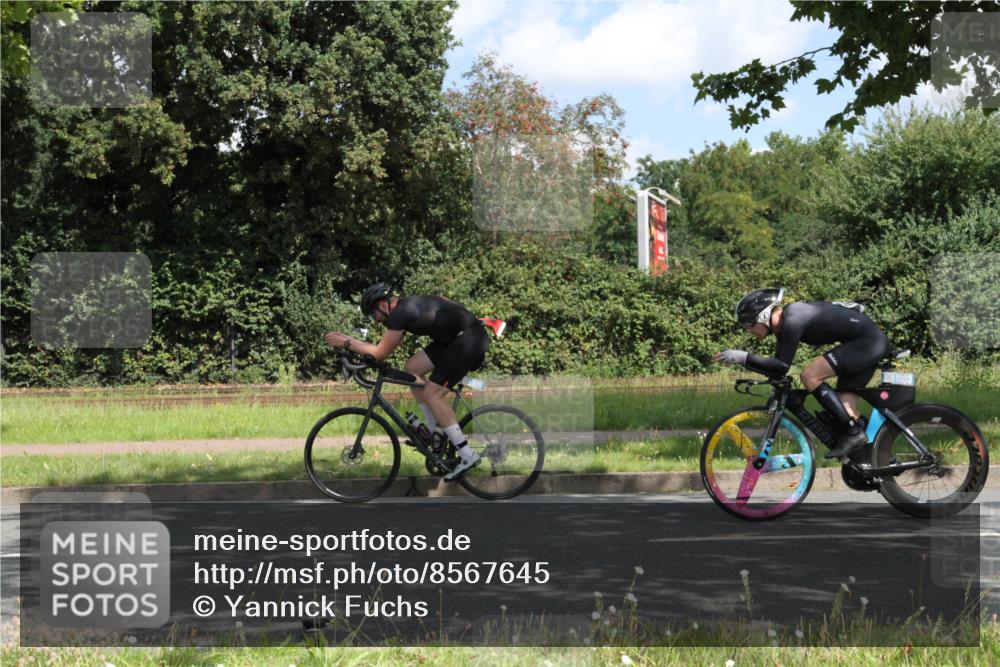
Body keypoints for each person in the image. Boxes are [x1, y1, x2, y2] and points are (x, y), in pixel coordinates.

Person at [324, 282, 490, 480]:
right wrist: (345, 339)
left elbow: (380, 353)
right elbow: (447, 303)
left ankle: (467, 455)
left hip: (467, 340)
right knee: (413, 369)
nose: (375, 321)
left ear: (382, 305)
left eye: (373, 314)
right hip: (455, 338)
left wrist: (346, 342)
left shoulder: (400, 314)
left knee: (432, 395)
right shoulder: (407, 306)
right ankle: (435, 431)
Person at [714, 288, 890, 460]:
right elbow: (776, 369)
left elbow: (782, 366)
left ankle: (853, 432)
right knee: (845, 411)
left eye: (749, 325)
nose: (749, 331)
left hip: (867, 342)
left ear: (764, 316)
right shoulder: (783, 327)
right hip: (864, 343)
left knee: (810, 375)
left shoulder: (793, 318)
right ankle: (881, 459)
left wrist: (742, 357)